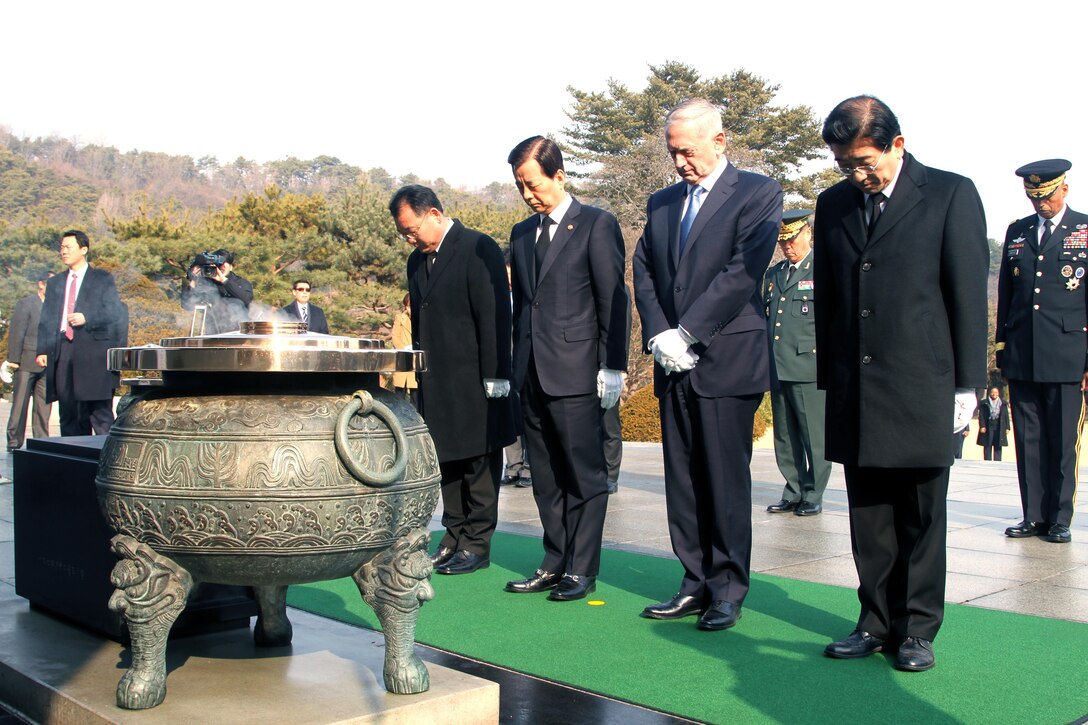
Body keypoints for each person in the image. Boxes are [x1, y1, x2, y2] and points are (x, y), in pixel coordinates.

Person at [814, 96, 988, 672]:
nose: (857, 175)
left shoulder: (949, 194)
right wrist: (829, 380)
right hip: (855, 386)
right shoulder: (833, 203)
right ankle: (874, 620)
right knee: (869, 514)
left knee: (921, 512)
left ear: (898, 144)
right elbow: (832, 300)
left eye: (865, 161)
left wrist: (969, 384)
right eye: (845, 164)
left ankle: (916, 628)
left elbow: (965, 295)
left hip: (921, 384)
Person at [632, 98, 781, 631]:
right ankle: (692, 581)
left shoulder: (759, 193)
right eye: (673, 153)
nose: (680, 163)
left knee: (723, 479)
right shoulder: (663, 201)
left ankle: (726, 589)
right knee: (683, 479)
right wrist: (660, 335)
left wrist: (689, 331)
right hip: (672, 361)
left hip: (727, 358)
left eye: (688, 151)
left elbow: (743, 272)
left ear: (720, 141)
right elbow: (643, 269)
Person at [504, 136, 628, 602]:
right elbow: (521, 310)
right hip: (532, 372)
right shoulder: (521, 234)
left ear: (559, 175)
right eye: (520, 186)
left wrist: (612, 365)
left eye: (533, 184)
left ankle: (582, 567)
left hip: (577, 372)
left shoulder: (596, 224)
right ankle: (554, 560)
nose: (527, 194)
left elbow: (613, 299)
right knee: (546, 475)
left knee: (584, 475)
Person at [389, 184, 514, 575]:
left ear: (435, 214)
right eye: (402, 233)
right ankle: (454, 532)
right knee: (446, 461)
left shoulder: (478, 247)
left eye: (411, 229)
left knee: (478, 461)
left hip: (475, 377)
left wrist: (497, 374)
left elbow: (494, 315)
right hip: (435, 378)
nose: (409, 237)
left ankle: (477, 542)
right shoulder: (416, 261)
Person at [995, 159, 1088, 545]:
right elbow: (1006, 296)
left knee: (1062, 441)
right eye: (1034, 197)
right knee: (1028, 440)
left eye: (1046, 195)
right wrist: (1001, 349)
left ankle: (1059, 518)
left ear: (1063, 189)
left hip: (1067, 354)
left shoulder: (1083, 230)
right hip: (1022, 352)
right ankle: (1033, 515)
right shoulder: (1017, 232)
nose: (1041, 203)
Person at [763, 209, 831, 516]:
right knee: (785, 436)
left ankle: (813, 493)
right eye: (783, 242)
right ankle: (792, 489)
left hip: (809, 366)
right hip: (778, 365)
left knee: (813, 436)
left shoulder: (823, 270)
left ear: (808, 234)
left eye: (792, 240)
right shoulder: (775, 274)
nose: (787, 247)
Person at [36, 230, 128, 436]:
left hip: (92, 352)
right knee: (68, 410)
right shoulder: (56, 282)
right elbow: (46, 318)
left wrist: (88, 317)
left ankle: (105, 459)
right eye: (62, 247)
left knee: (98, 411)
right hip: (63, 349)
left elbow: (114, 311)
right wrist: (42, 349)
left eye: (68, 247)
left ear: (83, 249)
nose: (63, 251)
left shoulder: (102, 278)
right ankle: (71, 458)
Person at [5, 273, 53, 451]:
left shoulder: (56, 308)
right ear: (41, 284)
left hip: (47, 364)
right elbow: (17, 332)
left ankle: (42, 441)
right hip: (26, 361)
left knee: (43, 406)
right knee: (20, 404)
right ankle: (14, 442)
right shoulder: (26, 304)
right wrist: (14, 360)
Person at [181, 248, 253, 334]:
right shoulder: (207, 284)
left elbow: (246, 299)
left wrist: (224, 280)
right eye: (218, 266)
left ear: (231, 266)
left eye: (224, 266)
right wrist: (193, 280)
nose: (221, 269)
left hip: (238, 334)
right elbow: (187, 305)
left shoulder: (241, 283)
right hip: (213, 335)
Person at [390, 292, 418, 408]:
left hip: (416, 360)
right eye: (408, 306)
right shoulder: (400, 318)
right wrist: (404, 348)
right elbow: (395, 337)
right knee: (399, 393)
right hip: (402, 358)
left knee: (415, 394)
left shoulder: (421, 319)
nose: (409, 309)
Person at [976, 387, 1010, 461]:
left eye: (996, 392)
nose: (994, 394)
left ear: (998, 394)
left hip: (999, 425)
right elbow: (981, 415)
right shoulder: (984, 403)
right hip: (988, 425)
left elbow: (1006, 416)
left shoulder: (1003, 403)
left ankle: (998, 461)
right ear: (990, 393)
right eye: (992, 392)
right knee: (988, 443)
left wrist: (1007, 427)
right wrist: (982, 426)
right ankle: (987, 460)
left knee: (998, 443)